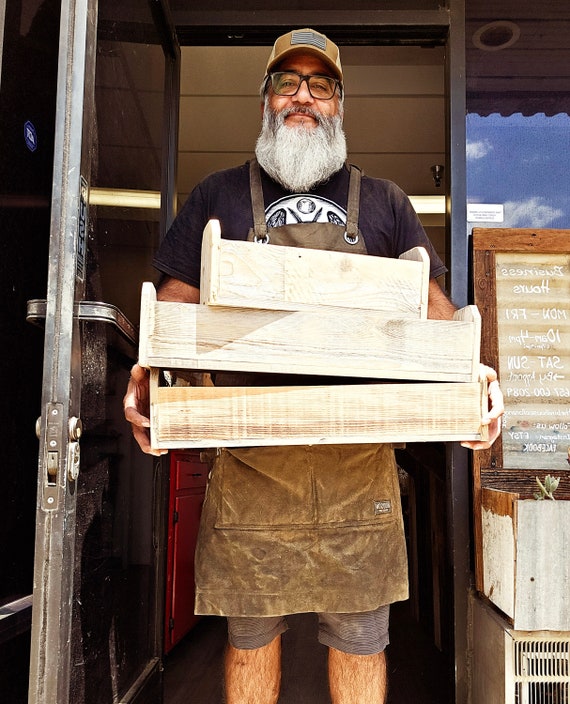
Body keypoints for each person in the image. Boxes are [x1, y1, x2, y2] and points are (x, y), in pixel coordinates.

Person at [124, 28, 504, 704]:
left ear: (340, 104)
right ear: (265, 98)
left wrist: (473, 376)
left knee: (362, 641)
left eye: (320, 84)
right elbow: (173, 313)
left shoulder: (385, 203)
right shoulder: (218, 195)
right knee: (251, 639)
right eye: (287, 82)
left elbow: (436, 314)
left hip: (360, 470)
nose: (303, 96)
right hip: (251, 465)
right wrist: (149, 375)